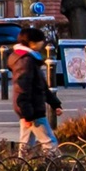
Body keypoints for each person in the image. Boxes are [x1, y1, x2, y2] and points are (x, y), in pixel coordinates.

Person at [11, 25, 61, 156]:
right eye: (40, 40)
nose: (43, 43)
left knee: (26, 144)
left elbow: (41, 86)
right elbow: (22, 89)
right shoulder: (26, 61)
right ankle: (55, 168)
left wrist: (54, 103)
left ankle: (21, 169)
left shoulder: (29, 59)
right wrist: (28, 114)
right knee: (49, 142)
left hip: (29, 108)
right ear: (31, 43)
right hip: (32, 109)